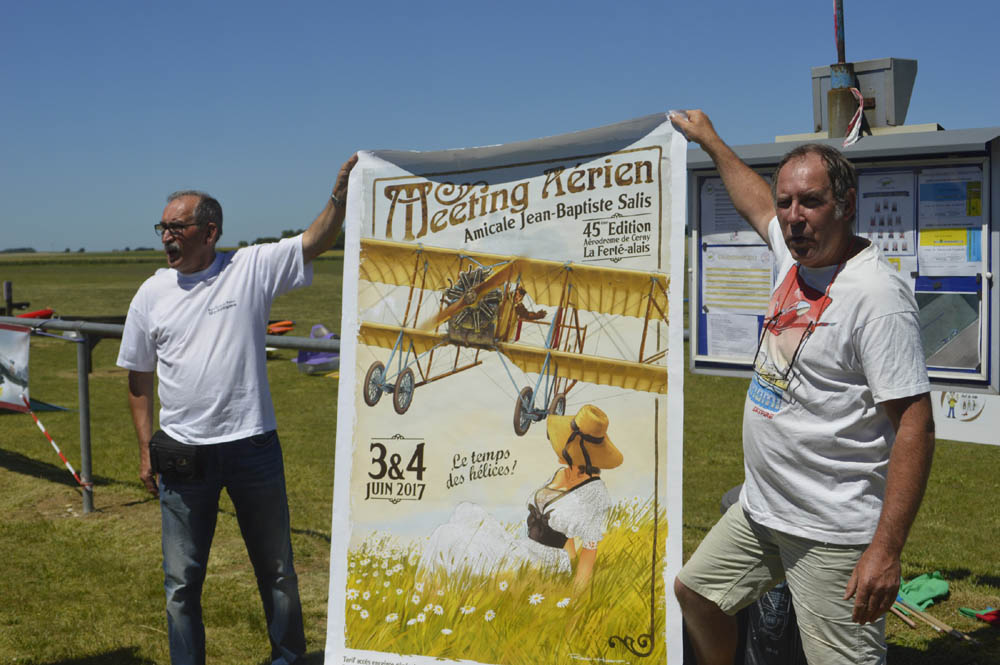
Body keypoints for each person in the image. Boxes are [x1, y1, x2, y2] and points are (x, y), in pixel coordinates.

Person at [669, 110, 934, 665]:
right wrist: (711, 139)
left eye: (810, 202)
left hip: (829, 530)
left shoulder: (875, 298)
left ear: (846, 203)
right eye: (787, 202)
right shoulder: (795, 258)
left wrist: (885, 551)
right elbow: (753, 202)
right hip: (761, 511)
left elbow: (914, 423)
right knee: (697, 593)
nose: (793, 217)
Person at [117, 154, 357, 665]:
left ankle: (287, 659)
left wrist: (339, 195)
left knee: (277, 571)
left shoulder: (249, 268)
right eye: (162, 227)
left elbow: (315, 241)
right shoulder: (150, 293)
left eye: (177, 227)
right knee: (181, 582)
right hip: (182, 457)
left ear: (210, 231)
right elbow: (138, 377)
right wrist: (145, 451)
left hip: (253, 448)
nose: (166, 237)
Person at [418, 404, 621, 590]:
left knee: (448, 535)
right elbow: (567, 529)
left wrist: (575, 596)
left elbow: (589, 548)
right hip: (525, 548)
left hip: (544, 563)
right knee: (466, 511)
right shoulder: (562, 474)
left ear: (580, 452)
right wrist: (570, 553)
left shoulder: (595, 494)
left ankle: (433, 592)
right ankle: (432, 589)